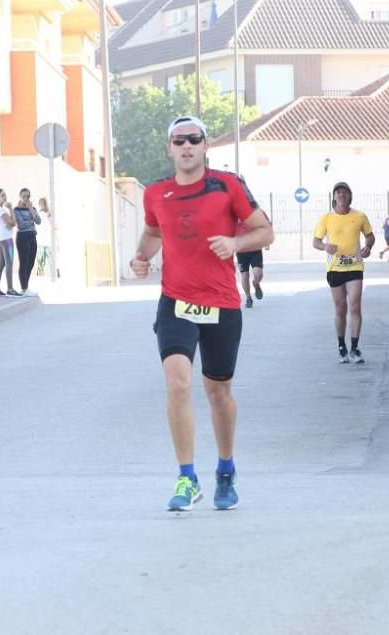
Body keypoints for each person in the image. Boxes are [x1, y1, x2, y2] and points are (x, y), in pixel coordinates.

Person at [131, 115, 273, 512]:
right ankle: (186, 477)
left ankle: (225, 470)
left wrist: (235, 241)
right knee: (177, 383)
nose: (187, 146)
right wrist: (141, 258)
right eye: (179, 141)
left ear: (206, 146)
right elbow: (154, 233)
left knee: (218, 392)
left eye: (194, 139)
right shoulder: (157, 194)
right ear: (170, 149)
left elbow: (265, 231)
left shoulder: (227, 186)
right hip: (176, 301)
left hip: (222, 302)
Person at [312, 182, 375, 365]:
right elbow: (315, 242)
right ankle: (342, 347)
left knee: (355, 306)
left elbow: (370, 236)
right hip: (335, 268)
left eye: (344, 192)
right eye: (338, 192)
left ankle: (355, 348)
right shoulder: (326, 218)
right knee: (340, 308)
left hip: (354, 266)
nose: (341, 195)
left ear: (349, 196)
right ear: (334, 197)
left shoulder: (360, 216)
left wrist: (368, 246)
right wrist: (325, 246)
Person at [0, 188, 20, 297]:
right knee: (9, 262)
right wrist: (11, 209)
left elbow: (9, 223)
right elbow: (13, 223)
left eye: (5, 195)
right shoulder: (0, 210)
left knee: (1, 263)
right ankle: (10, 289)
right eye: (2, 195)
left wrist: (9, 221)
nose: (5, 197)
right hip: (6, 239)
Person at [236, 210, 268, 309]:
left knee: (258, 273)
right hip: (240, 251)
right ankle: (248, 297)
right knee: (245, 276)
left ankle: (256, 283)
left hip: (255, 249)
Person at [13, 188, 42, 296]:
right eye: (24, 196)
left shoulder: (32, 208)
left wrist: (31, 209)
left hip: (32, 237)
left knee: (31, 263)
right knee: (24, 263)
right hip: (22, 237)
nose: (26, 198)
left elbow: (39, 221)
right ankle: (24, 289)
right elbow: (21, 225)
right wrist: (31, 221)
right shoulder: (17, 210)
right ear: (20, 197)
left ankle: (26, 287)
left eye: (28, 196)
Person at [35, 197, 52, 277]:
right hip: (40, 242)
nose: (41, 205)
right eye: (40, 203)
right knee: (40, 262)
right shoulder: (38, 215)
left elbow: (53, 226)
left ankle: (56, 277)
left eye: (43, 203)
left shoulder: (49, 214)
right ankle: (40, 278)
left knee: (52, 261)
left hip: (48, 242)